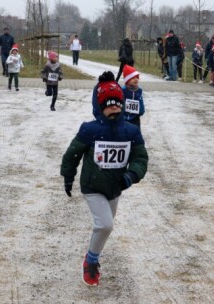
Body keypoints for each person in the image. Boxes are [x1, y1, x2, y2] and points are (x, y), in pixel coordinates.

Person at [61, 71, 148, 287]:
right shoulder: (90, 130)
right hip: (92, 186)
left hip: (115, 187)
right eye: (108, 104)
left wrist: (131, 175)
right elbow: (72, 154)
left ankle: (94, 257)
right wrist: (68, 176)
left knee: (105, 225)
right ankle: (90, 262)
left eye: (117, 103)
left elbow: (141, 158)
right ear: (99, 106)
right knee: (106, 225)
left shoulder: (131, 131)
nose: (114, 107)